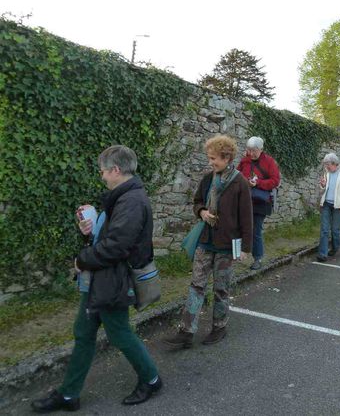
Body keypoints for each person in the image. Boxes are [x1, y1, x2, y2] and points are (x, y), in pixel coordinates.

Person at [31, 145, 162, 413]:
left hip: (112, 281)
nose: (101, 176)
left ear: (115, 170)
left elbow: (117, 247)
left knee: (120, 333)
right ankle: (69, 395)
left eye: (103, 171)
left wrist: (82, 260)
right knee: (84, 333)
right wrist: (88, 231)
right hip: (99, 280)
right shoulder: (121, 197)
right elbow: (106, 239)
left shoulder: (132, 201)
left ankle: (152, 379)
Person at [163, 135, 252, 349]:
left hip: (226, 246)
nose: (211, 162)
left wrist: (246, 248)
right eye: (209, 158)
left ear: (227, 157)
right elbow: (197, 202)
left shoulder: (240, 182)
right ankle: (186, 331)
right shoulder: (207, 178)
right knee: (196, 285)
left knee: (221, 289)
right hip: (205, 242)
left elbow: (247, 218)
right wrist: (202, 212)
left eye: (214, 158)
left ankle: (219, 326)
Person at [237, 136, 280, 270]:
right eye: (249, 150)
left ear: (261, 149)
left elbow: (275, 181)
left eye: (254, 150)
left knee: (255, 231)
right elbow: (237, 175)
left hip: (260, 201)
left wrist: (258, 183)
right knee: (240, 228)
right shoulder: (245, 160)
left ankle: (257, 258)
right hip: (244, 200)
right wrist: (245, 181)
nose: (252, 153)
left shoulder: (269, 162)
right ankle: (238, 255)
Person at [316, 153, 340, 261]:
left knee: (335, 230)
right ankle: (322, 254)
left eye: (328, 165)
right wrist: (322, 185)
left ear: (334, 163)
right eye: (326, 165)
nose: (326, 167)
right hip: (326, 204)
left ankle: (335, 248)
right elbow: (322, 190)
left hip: (338, 206)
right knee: (324, 229)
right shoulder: (327, 173)